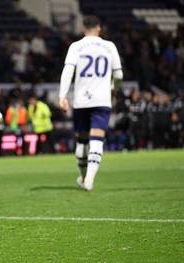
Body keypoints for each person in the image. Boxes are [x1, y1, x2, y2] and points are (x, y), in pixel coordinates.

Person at [58, 16, 123, 191]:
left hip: (81, 100)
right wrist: (112, 87)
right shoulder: (109, 47)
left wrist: (62, 96)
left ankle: (84, 176)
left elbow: (67, 72)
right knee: (97, 139)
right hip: (102, 99)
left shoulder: (76, 46)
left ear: (83, 28)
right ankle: (90, 180)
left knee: (82, 142)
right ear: (99, 28)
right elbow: (119, 75)